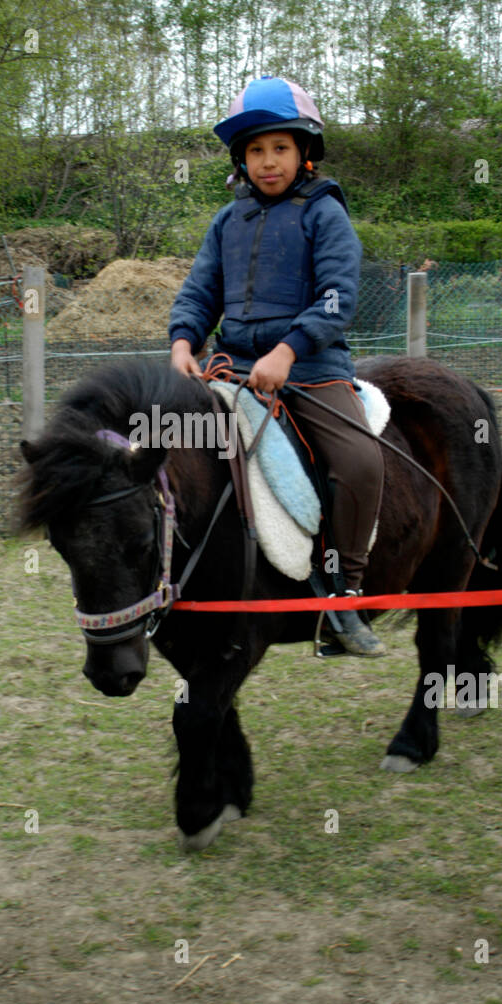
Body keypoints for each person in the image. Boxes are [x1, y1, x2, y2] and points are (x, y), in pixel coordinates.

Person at [168, 75, 386, 656]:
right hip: (228, 366)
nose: (268, 162)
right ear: (241, 158)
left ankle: (346, 595)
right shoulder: (225, 222)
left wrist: (288, 350)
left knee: (359, 461)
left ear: (304, 153)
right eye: (256, 150)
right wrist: (183, 343)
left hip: (313, 366)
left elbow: (338, 295)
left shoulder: (324, 214)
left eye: (280, 148)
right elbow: (198, 291)